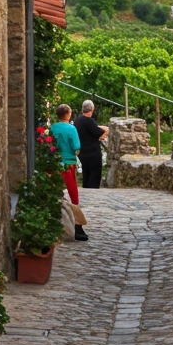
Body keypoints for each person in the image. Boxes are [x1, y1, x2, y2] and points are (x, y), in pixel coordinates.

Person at [51, 104, 88, 241]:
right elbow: (76, 147)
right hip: (68, 164)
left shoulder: (52, 128)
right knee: (73, 194)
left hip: (54, 164)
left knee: (54, 192)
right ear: (68, 114)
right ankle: (78, 226)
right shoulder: (71, 129)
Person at [73, 100, 109, 190]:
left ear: (82, 109)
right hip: (92, 152)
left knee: (86, 173)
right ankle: (92, 192)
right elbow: (98, 132)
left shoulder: (78, 120)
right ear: (92, 109)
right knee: (95, 174)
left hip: (82, 152)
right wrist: (105, 130)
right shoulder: (89, 121)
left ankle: (86, 190)